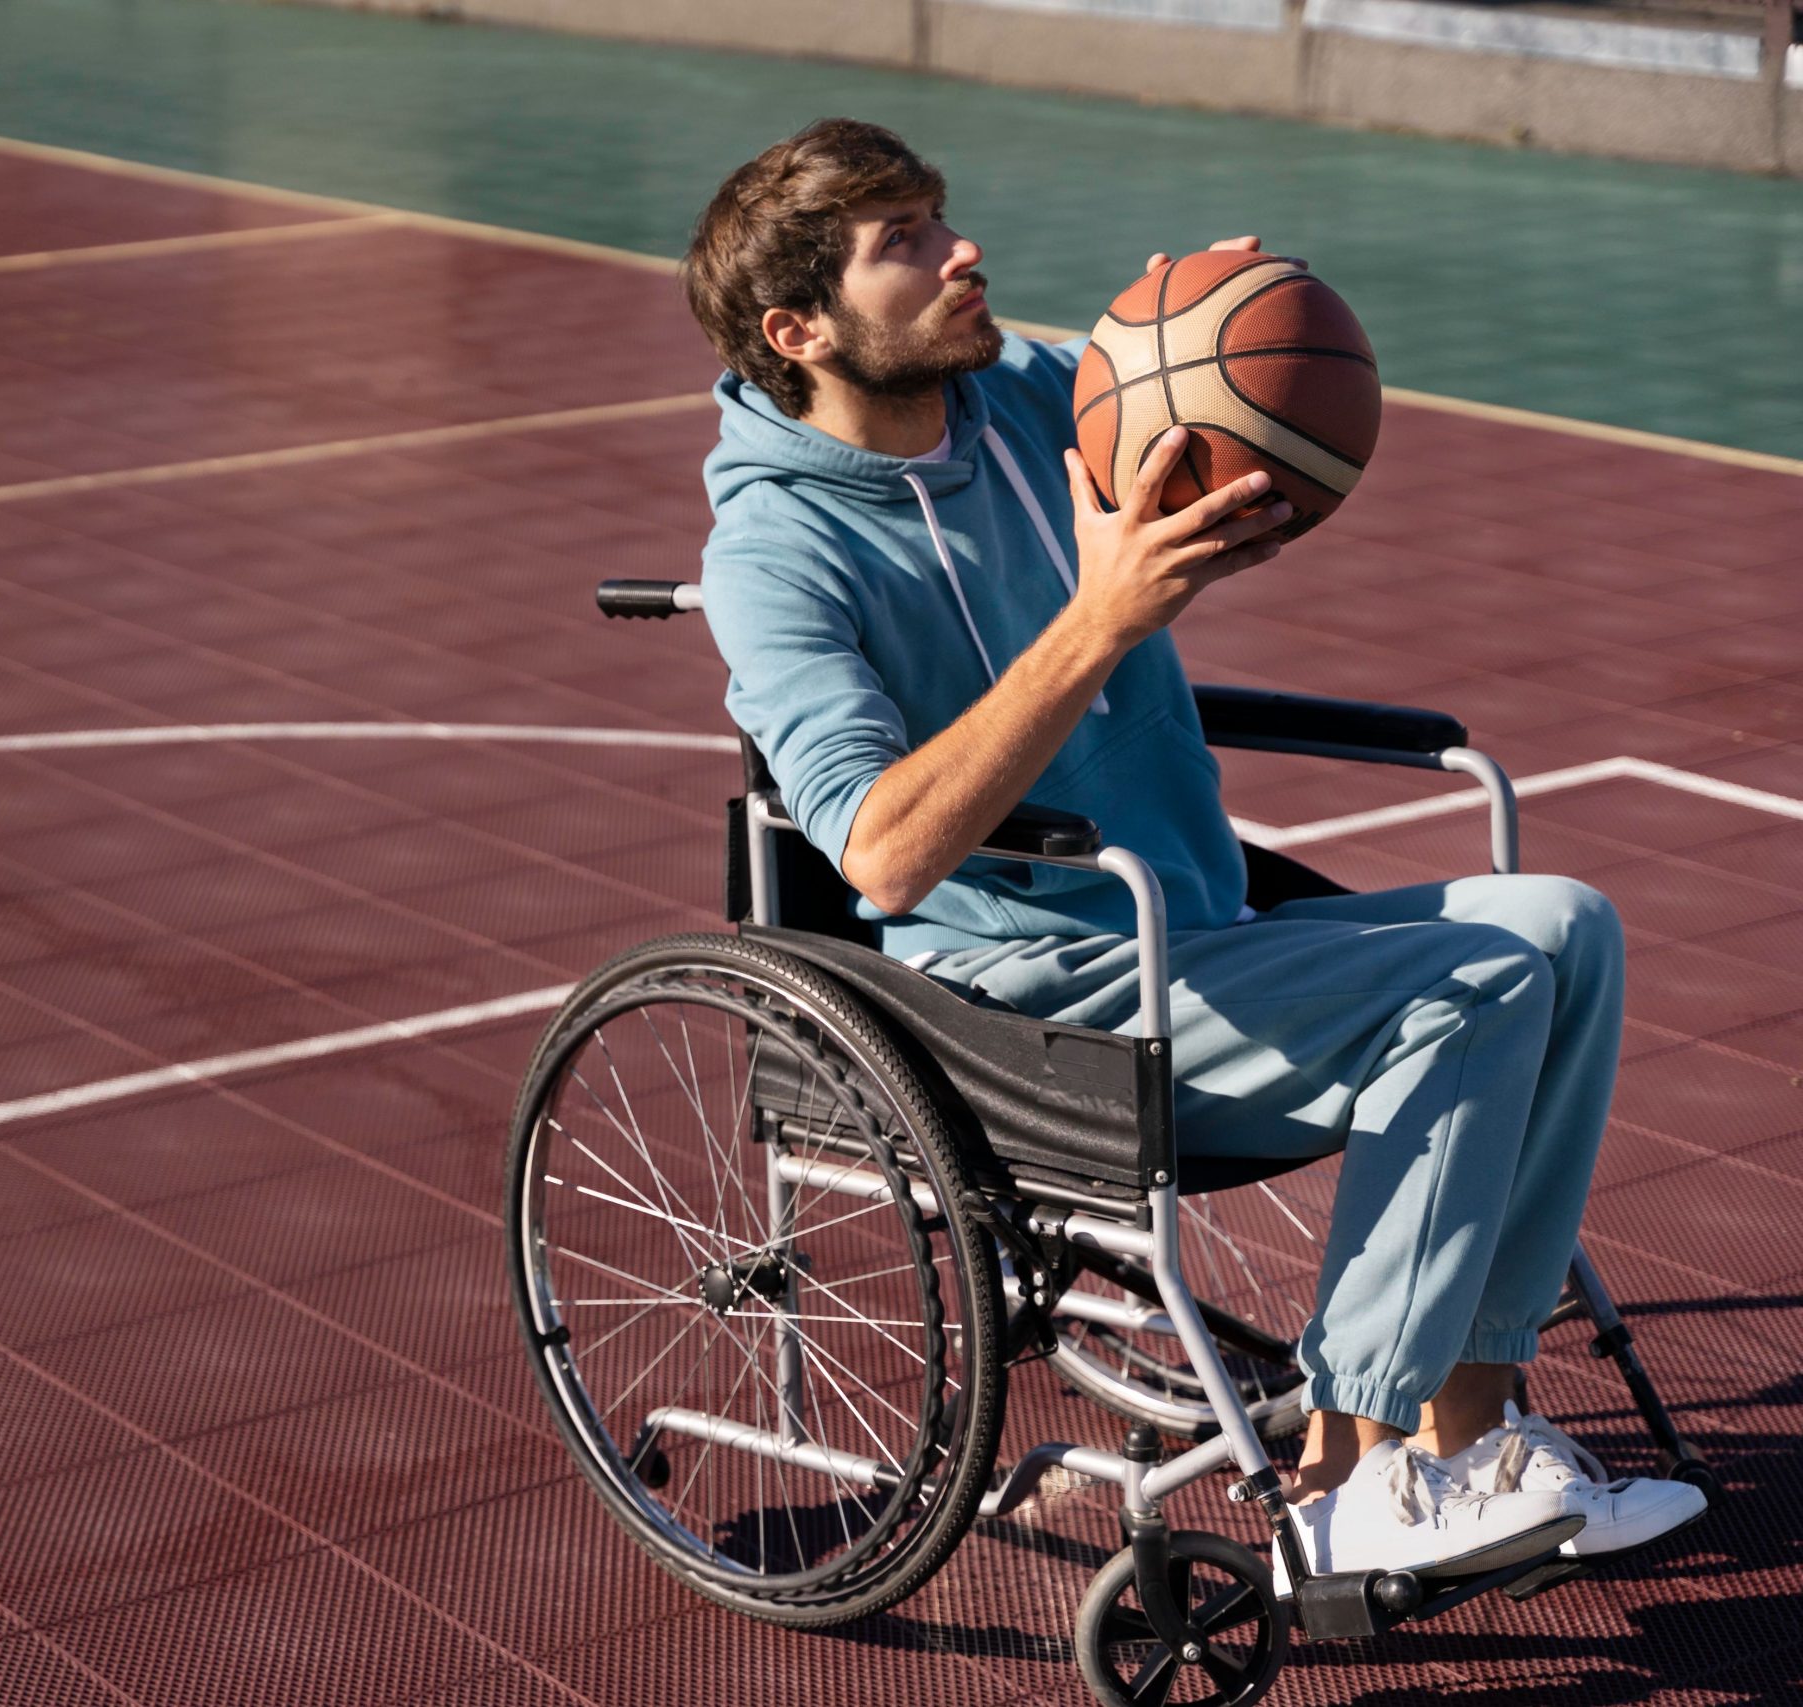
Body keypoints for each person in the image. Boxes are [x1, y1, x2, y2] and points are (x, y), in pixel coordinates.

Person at [685, 116, 1703, 1580]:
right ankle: (1350, 1479)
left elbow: (1186, 408)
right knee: (1473, 994)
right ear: (801, 329)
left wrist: (1199, 331)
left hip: (1191, 929)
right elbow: (884, 855)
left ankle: (1463, 1448)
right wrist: (1101, 622)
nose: (960, 249)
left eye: (942, 212)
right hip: (1012, 991)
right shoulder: (776, 554)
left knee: (1564, 926)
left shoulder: (1025, 402)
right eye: (903, 241)